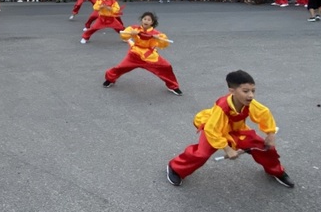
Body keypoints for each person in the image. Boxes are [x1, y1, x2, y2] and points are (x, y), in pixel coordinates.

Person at [166, 70, 294, 188]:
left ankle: (276, 171)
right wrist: (227, 149)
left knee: (265, 148)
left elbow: (264, 114)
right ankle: (175, 168)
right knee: (202, 153)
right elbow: (212, 130)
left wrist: (270, 135)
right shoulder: (222, 107)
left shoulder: (249, 103)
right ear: (232, 91)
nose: (251, 95)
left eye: (253, 91)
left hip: (237, 130)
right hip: (214, 130)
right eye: (245, 91)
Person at [103, 11, 182, 95]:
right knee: (121, 67)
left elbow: (164, 44)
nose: (146, 21)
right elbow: (124, 36)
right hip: (135, 54)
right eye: (145, 19)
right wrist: (132, 34)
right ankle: (110, 79)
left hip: (150, 56)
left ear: (152, 22)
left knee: (166, 67)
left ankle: (173, 86)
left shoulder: (156, 33)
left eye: (149, 20)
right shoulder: (134, 29)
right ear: (142, 20)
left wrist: (158, 38)